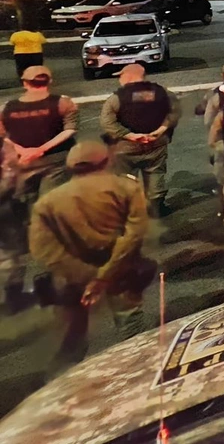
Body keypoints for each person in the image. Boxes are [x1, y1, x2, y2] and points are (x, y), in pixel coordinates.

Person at [28, 140, 154, 366]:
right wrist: (102, 276)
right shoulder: (126, 188)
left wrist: (84, 275)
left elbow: (43, 249)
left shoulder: (47, 203)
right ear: (106, 161)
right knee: (131, 327)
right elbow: (134, 234)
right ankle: (139, 371)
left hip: (70, 279)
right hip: (120, 272)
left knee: (72, 337)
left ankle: (68, 387)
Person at [0, 65, 78, 308]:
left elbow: (4, 135)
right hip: (54, 165)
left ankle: (14, 290)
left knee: (19, 223)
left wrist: (25, 151)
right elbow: (70, 130)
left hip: (23, 167)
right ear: (50, 80)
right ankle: (54, 284)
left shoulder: (8, 108)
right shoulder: (62, 103)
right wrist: (42, 149)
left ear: (24, 82)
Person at [99, 63, 181, 218]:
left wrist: (129, 135)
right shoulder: (163, 92)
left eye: (121, 76)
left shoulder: (117, 98)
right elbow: (174, 112)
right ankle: (156, 207)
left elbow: (107, 122)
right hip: (156, 143)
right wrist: (160, 131)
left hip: (125, 146)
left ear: (128, 76)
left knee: (124, 177)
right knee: (155, 172)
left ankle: (128, 210)